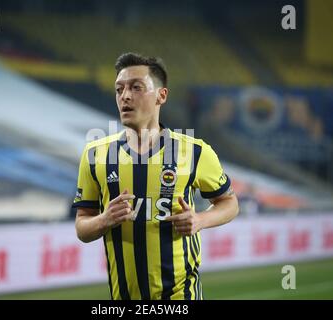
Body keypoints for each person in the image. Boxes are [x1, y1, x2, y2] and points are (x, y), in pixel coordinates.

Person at [73, 52, 239, 300]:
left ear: (161, 95)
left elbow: (230, 202)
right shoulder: (96, 155)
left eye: (136, 87)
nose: (125, 96)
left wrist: (200, 220)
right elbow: (82, 226)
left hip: (180, 296)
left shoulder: (194, 151)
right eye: (119, 89)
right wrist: (104, 219)